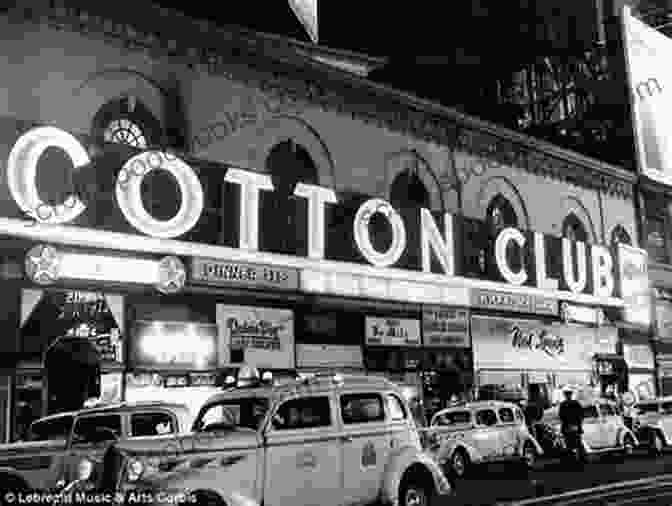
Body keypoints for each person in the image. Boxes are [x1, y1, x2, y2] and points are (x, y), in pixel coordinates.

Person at [558, 388, 585, 462]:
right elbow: (581, 415)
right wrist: (578, 423)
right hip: (573, 425)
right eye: (567, 394)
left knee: (570, 443)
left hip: (568, 426)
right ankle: (579, 458)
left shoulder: (564, 404)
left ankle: (572, 458)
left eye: (567, 394)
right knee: (577, 443)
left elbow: (561, 416)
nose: (567, 396)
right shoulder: (575, 403)